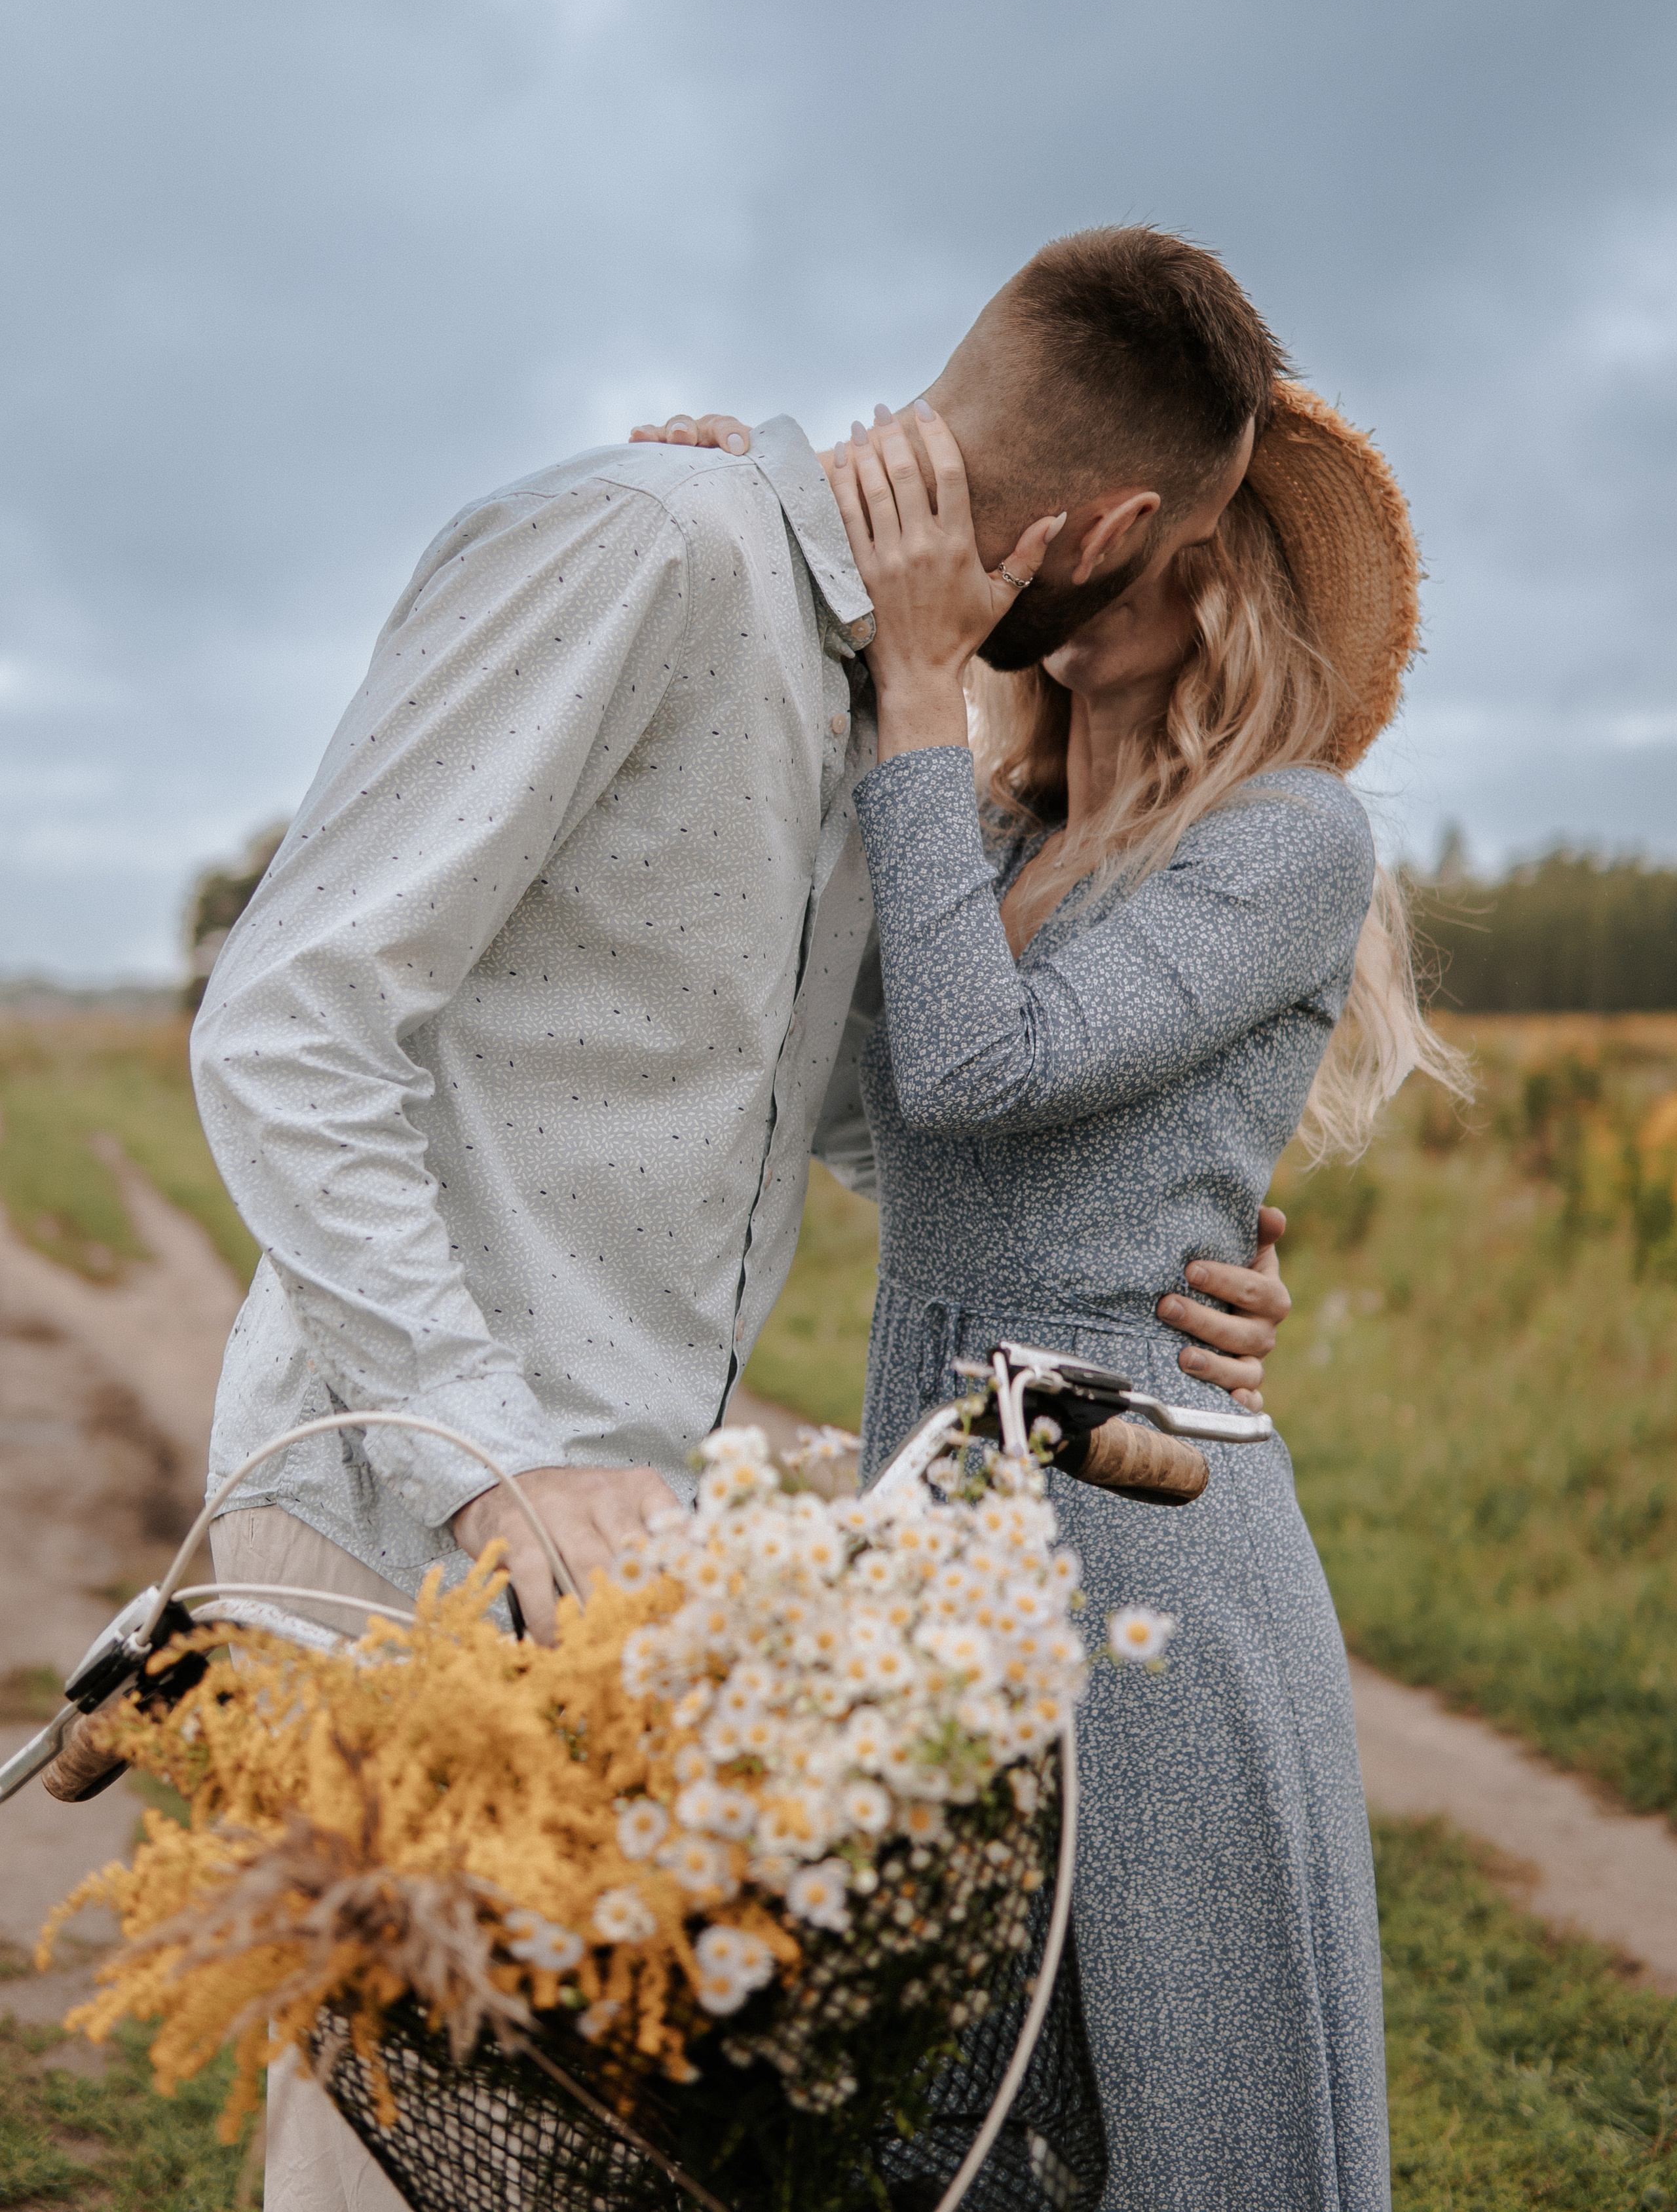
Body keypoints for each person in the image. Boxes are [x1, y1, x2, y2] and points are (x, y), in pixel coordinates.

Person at [191, 224, 1295, 2209]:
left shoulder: (900, 716)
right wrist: (496, 1461)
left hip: (600, 1545)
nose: (1169, 591)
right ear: (1110, 522)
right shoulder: (651, 548)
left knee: (546, 2167)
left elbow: (874, 1123)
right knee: (379, 2174)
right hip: (391, 1500)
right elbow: (291, 1026)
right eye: (1179, 552)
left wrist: (1170, 1269)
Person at [799, 348, 1469, 2209]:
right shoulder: (989, 834)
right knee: (943, 2107)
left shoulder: (1288, 841)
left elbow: (979, 1067)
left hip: (1141, 1534)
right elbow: (887, 1132)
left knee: (1187, 2113)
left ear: (1212, 569)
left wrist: (918, 695)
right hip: (928, 1490)